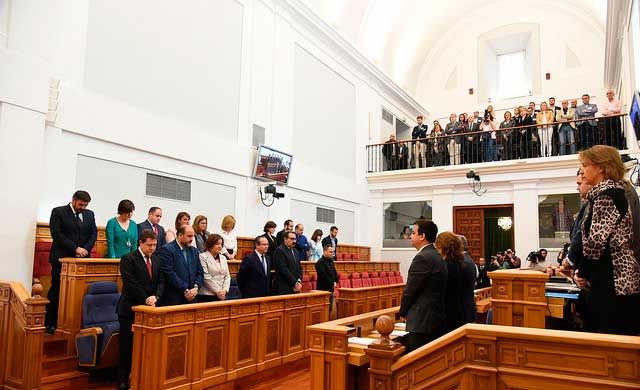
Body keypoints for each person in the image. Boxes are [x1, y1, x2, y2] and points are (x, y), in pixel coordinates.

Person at [574, 145, 640, 334]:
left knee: (611, 337)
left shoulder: (607, 196)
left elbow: (595, 242)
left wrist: (582, 273)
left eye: (585, 165)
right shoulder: (607, 194)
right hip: (613, 275)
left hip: (615, 278)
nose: (583, 171)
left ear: (601, 167)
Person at [117, 230, 164, 390]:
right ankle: (122, 379)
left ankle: (140, 376)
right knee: (127, 345)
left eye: (155, 245)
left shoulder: (157, 259)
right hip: (130, 308)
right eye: (149, 245)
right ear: (141, 243)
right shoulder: (128, 259)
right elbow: (131, 283)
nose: (152, 248)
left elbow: (162, 281)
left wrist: (156, 296)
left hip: (151, 307)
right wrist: (146, 298)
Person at [45, 190, 97, 334]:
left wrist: (85, 249)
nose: (83, 207)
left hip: (82, 260)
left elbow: (93, 234)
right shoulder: (58, 212)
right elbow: (57, 234)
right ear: (73, 200)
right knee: (57, 291)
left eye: (86, 205)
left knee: (80, 293)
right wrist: (75, 248)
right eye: (81, 204)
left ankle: (74, 324)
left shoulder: (89, 214)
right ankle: (51, 322)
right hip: (62, 258)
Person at [398, 220, 447, 353]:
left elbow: (411, 290)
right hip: (434, 318)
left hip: (422, 321)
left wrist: (402, 312)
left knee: (419, 363)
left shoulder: (423, 257)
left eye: (413, 233)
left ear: (422, 236)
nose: (410, 236)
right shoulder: (436, 255)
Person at [435, 231, 476, 331]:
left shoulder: (450, 264)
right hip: (466, 309)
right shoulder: (466, 260)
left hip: (454, 313)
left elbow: (447, 291)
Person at [157, 225, 204, 306]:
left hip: (192, 297)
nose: (191, 239)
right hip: (175, 298)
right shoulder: (167, 249)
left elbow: (200, 272)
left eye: (192, 236)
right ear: (180, 235)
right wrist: (186, 290)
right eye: (189, 236)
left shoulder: (194, 251)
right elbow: (169, 273)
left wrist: (196, 288)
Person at [198, 234, 230, 302]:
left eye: (221, 244)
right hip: (207, 295)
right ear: (210, 244)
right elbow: (206, 277)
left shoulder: (223, 258)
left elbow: (227, 276)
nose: (220, 246)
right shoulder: (202, 257)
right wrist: (218, 291)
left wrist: (224, 290)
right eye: (217, 244)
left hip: (222, 293)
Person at [315, 245, 338, 315]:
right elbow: (323, 276)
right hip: (323, 289)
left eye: (333, 252)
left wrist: (335, 281)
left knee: (329, 309)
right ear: (325, 252)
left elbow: (334, 272)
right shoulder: (320, 263)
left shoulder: (331, 261)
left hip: (330, 289)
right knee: (323, 310)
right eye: (330, 252)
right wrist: (332, 283)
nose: (332, 254)